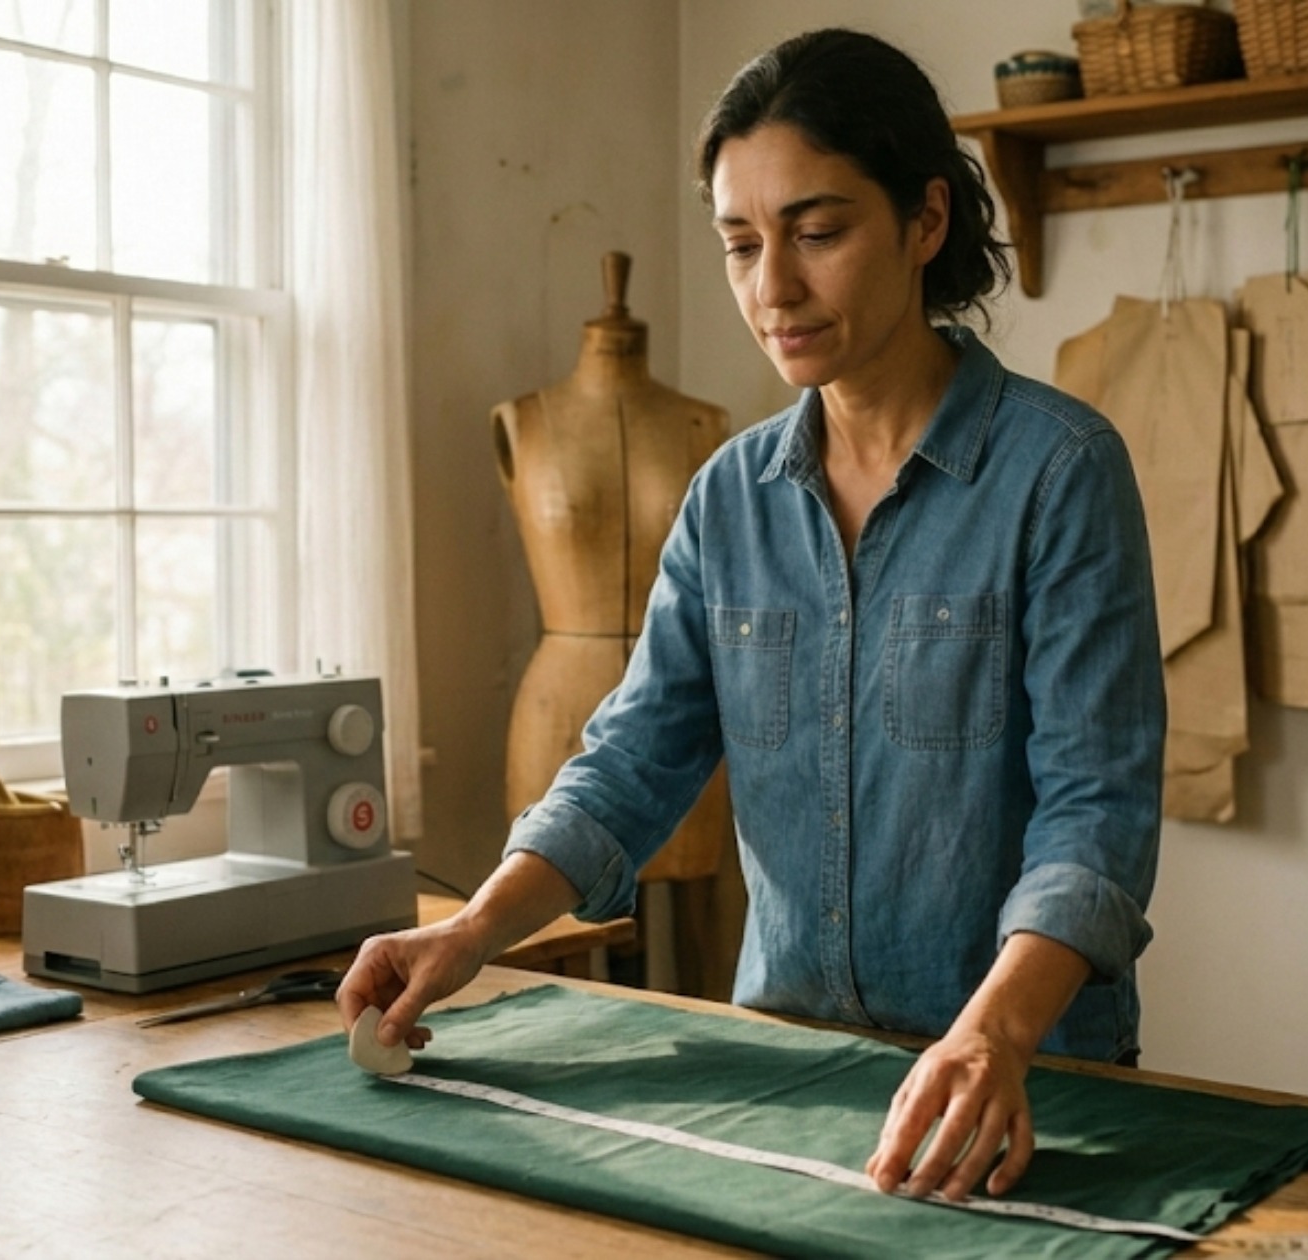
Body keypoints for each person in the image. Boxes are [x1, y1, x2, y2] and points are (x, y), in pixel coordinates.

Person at [340, 27, 1164, 1207]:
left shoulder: (1059, 472)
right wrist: (468, 934)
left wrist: (990, 1038)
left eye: (816, 232)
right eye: (739, 244)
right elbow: (631, 760)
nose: (771, 287)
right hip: (785, 1073)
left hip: (1025, 1082)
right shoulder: (728, 496)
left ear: (925, 221)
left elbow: (1097, 811)